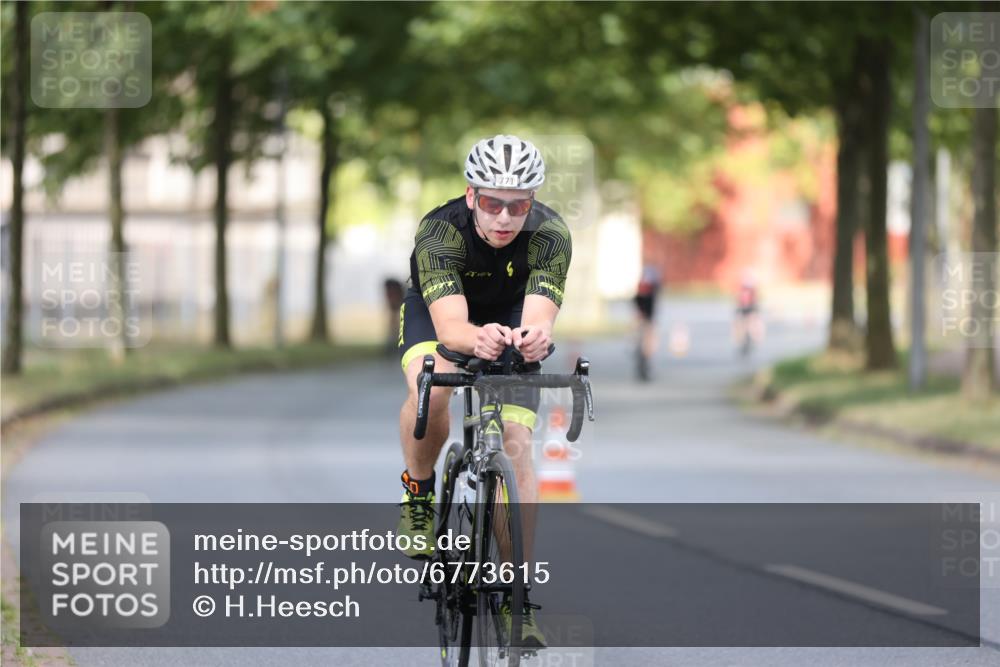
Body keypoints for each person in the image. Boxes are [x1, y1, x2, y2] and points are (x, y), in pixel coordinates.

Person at [395, 134, 571, 648]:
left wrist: (536, 338)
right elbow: (452, 328)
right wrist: (476, 339)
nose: (505, 217)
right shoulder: (440, 231)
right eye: (493, 203)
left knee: (516, 445)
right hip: (441, 314)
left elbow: (540, 315)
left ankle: (518, 597)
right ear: (471, 195)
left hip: (510, 312)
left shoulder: (551, 234)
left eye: (519, 205)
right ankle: (419, 491)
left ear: (532, 202)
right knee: (432, 388)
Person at [633, 263, 661, 381]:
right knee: (645, 346)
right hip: (646, 321)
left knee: (646, 346)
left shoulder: (647, 287)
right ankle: (644, 368)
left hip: (646, 320)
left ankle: (644, 368)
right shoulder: (648, 287)